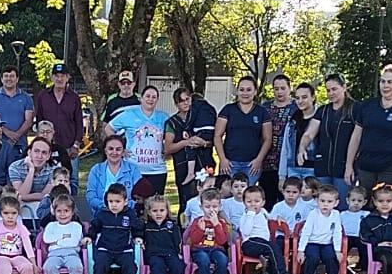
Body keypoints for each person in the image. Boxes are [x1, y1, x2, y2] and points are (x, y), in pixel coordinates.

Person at [345, 64, 392, 189]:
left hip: (391, 168)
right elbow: (356, 137)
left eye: (390, 82)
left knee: (385, 205)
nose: (385, 85)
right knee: (363, 204)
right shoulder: (367, 106)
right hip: (365, 167)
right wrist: (348, 166)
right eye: (382, 81)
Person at [298, 73, 356, 204]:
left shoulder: (355, 109)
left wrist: (350, 165)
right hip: (323, 166)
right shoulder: (323, 110)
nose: (331, 93)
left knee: (341, 205)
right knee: (321, 205)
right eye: (328, 90)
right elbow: (309, 134)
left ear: (344, 87)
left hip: (344, 168)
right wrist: (302, 148)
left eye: (334, 89)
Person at [84, 183, 142, 274]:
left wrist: (138, 237)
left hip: (124, 249)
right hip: (105, 248)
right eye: (111, 201)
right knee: (99, 264)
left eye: (117, 201)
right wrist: (89, 237)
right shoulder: (102, 213)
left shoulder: (129, 214)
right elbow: (94, 227)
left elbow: (137, 227)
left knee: (130, 266)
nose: (114, 205)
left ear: (125, 202)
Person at [104, 85, 171, 194]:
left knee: (155, 205)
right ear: (141, 98)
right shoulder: (129, 114)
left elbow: (170, 137)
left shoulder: (164, 117)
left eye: (154, 97)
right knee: (132, 203)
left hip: (157, 170)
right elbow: (109, 128)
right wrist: (120, 149)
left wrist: (167, 150)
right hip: (133, 169)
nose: (150, 99)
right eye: (147, 96)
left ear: (157, 99)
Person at [163, 88, 217, 217]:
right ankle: (184, 231)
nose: (185, 103)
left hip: (204, 162)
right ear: (176, 104)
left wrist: (203, 143)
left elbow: (212, 140)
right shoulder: (172, 122)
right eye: (181, 101)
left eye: (187, 99)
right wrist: (187, 142)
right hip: (182, 166)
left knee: (207, 198)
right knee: (186, 200)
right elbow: (168, 148)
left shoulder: (201, 116)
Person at [34, 63, 85, 185]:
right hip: (49, 147)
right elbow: (39, 121)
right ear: (52, 78)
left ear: (67, 78)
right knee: (49, 179)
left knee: (72, 179)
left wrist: (76, 145)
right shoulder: (43, 96)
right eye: (56, 76)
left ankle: (72, 203)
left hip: (69, 146)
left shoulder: (74, 98)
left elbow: (79, 123)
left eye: (62, 76)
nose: (59, 79)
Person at [214, 76, 271, 186]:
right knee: (227, 196)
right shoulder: (228, 110)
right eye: (242, 89)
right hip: (230, 163)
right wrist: (223, 159)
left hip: (252, 164)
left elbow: (267, 139)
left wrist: (259, 160)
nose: (245, 93)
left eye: (249, 90)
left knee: (248, 197)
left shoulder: (262, 112)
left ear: (255, 91)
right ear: (237, 91)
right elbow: (217, 135)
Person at [238, 185, 295, 274]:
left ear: (263, 202)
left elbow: (271, 218)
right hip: (250, 243)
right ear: (244, 203)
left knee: (274, 247)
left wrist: (278, 218)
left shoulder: (263, 211)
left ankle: (269, 266)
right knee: (271, 247)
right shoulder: (245, 216)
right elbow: (245, 232)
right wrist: (250, 215)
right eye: (249, 202)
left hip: (263, 243)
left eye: (256, 201)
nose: (253, 204)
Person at [295, 184, 344, 274]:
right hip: (312, 243)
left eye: (329, 201)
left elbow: (338, 232)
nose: (325, 204)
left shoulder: (336, 215)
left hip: (327, 244)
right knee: (312, 258)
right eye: (322, 201)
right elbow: (306, 232)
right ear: (317, 201)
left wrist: (338, 250)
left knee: (331, 258)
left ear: (336, 203)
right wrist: (301, 250)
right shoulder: (313, 214)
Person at [187, 188, 231, 274]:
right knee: (203, 259)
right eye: (207, 207)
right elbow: (194, 240)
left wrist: (216, 225)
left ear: (220, 206)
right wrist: (201, 230)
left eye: (214, 207)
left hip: (216, 249)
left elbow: (222, 241)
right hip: (199, 250)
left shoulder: (221, 223)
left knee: (223, 259)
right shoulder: (197, 221)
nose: (211, 210)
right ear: (201, 207)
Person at [41, 196, 85, 274]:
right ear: (54, 212)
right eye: (59, 211)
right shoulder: (51, 225)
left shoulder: (76, 226)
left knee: (77, 266)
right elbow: (46, 239)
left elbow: (74, 242)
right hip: (54, 254)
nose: (62, 214)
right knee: (48, 267)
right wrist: (64, 238)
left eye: (66, 211)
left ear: (72, 211)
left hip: (71, 253)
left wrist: (57, 240)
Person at [141, 195, 186, 274]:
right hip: (154, 254)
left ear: (167, 211)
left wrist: (178, 252)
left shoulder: (172, 225)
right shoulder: (146, 226)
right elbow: (140, 236)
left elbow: (177, 240)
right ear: (149, 212)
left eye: (162, 210)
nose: (158, 213)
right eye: (155, 211)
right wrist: (140, 241)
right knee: (157, 266)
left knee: (178, 266)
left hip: (170, 253)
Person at [261, 74, 296, 205]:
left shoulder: (296, 107)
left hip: (288, 162)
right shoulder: (265, 107)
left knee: (287, 200)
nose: (279, 92)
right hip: (267, 162)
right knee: (268, 199)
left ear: (289, 88)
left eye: (283, 88)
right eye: (276, 89)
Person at [86, 135, 141, 215]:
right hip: (101, 214)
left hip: (127, 215)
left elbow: (138, 197)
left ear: (123, 152)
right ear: (105, 151)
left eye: (118, 149)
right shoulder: (96, 170)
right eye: (110, 149)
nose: (114, 152)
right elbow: (91, 197)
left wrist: (122, 207)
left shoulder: (133, 170)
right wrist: (108, 207)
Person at [0, 66, 35, 150]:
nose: (9, 79)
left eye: (12, 76)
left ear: (17, 79)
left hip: (21, 144)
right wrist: (9, 133)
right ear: (1, 79)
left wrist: (16, 136)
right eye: (6, 76)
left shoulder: (26, 98)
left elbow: (28, 121)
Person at [8, 136, 59, 210]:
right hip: (18, 206)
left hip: (43, 206)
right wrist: (31, 170)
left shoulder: (54, 169)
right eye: (36, 151)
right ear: (29, 152)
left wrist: (21, 197)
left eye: (44, 153)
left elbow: (44, 196)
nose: (39, 156)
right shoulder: (15, 167)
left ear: (48, 156)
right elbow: (22, 193)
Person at [287, 83, 319, 181]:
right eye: (297, 98)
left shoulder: (322, 117)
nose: (300, 101)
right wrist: (282, 174)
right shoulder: (293, 119)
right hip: (293, 168)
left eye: (304, 97)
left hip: (314, 169)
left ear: (313, 97)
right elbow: (286, 148)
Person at [342, 186, 371, 274]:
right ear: (347, 200)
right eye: (353, 200)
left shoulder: (367, 214)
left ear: (364, 202)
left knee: (365, 250)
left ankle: (365, 272)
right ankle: (347, 272)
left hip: (360, 237)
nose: (356, 203)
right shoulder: (342, 215)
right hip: (346, 237)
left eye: (359, 201)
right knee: (340, 252)